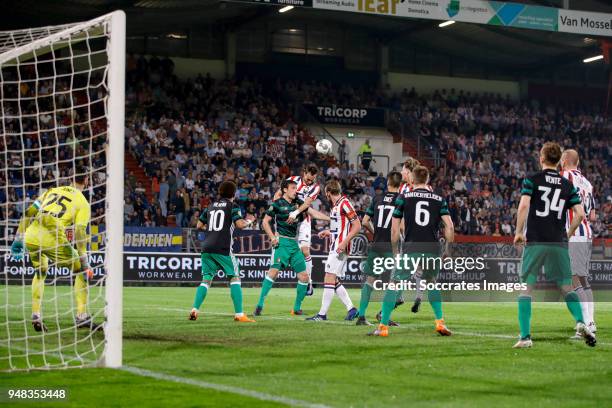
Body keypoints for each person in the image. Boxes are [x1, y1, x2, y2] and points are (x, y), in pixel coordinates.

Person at [512, 142, 595, 348]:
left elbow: (523, 205)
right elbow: (581, 214)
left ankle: (525, 337)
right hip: (558, 242)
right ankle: (580, 322)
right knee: (567, 286)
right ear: (559, 161)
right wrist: (567, 233)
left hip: (536, 240)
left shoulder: (532, 180)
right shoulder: (567, 185)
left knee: (527, 288)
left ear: (541, 158)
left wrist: (518, 232)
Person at [10, 166, 101, 332]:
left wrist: (18, 239)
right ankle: (81, 316)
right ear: (87, 181)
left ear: (71, 178)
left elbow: (29, 212)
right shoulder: (83, 202)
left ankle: (36, 314)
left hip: (31, 234)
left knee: (41, 271)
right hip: (53, 236)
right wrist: (84, 258)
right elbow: (80, 231)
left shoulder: (52, 191)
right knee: (81, 270)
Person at [370, 166, 454, 337]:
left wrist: (395, 251)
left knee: (394, 284)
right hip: (432, 248)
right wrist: (447, 251)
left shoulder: (404, 197)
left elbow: (394, 229)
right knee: (431, 282)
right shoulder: (439, 198)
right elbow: (450, 226)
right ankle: (440, 323)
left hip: (411, 248)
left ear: (412, 180)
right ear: (427, 180)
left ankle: (383, 327)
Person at [255, 179, 328, 316]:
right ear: (284, 190)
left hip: (294, 245)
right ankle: (259, 304)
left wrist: (332, 219)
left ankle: (296, 308)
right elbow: (265, 222)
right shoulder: (276, 204)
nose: (296, 190)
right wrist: (272, 237)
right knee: (273, 273)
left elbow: (312, 212)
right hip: (281, 243)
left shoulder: (298, 203)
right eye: (293, 188)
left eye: (296, 188)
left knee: (304, 277)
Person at [189, 181, 256, 323]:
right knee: (235, 277)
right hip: (223, 247)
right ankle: (239, 314)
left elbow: (199, 225)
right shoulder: (233, 206)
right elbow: (240, 224)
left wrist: (213, 229)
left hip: (207, 247)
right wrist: (250, 221)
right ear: (233, 193)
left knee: (206, 280)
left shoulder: (210, 206)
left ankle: (194, 310)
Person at [307, 180, 361, 321]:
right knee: (333, 279)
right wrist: (329, 232)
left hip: (340, 246)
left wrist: (343, 242)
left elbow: (357, 225)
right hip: (336, 243)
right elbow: (342, 228)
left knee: (329, 277)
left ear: (328, 193)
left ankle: (322, 314)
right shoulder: (337, 205)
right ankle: (351, 309)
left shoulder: (345, 203)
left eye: (326, 194)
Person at [357, 171, 402, 326]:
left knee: (369, 281)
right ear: (400, 184)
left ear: (388, 183)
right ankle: (384, 316)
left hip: (376, 245)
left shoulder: (377, 198)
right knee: (396, 282)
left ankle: (361, 317)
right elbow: (400, 227)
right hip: (391, 247)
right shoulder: (401, 200)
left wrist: (376, 232)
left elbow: (364, 222)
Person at [561, 149, 597, 339]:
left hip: (574, 233)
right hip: (587, 234)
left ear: (565, 160)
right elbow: (592, 215)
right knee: (583, 279)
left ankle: (585, 324)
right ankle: (590, 321)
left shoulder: (565, 176)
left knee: (575, 280)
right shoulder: (588, 183)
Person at [274, 164, 321, 296]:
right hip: (287, 219)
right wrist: (277, 207)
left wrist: (295, 213)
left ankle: (309, 283)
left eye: (313, 179)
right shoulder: (293, 179)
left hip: (303, 220)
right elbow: (278, 193)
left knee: (305, 251)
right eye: (309, 178)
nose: (310, 181)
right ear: (304, 172)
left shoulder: (315, 187)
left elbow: (306, 204)